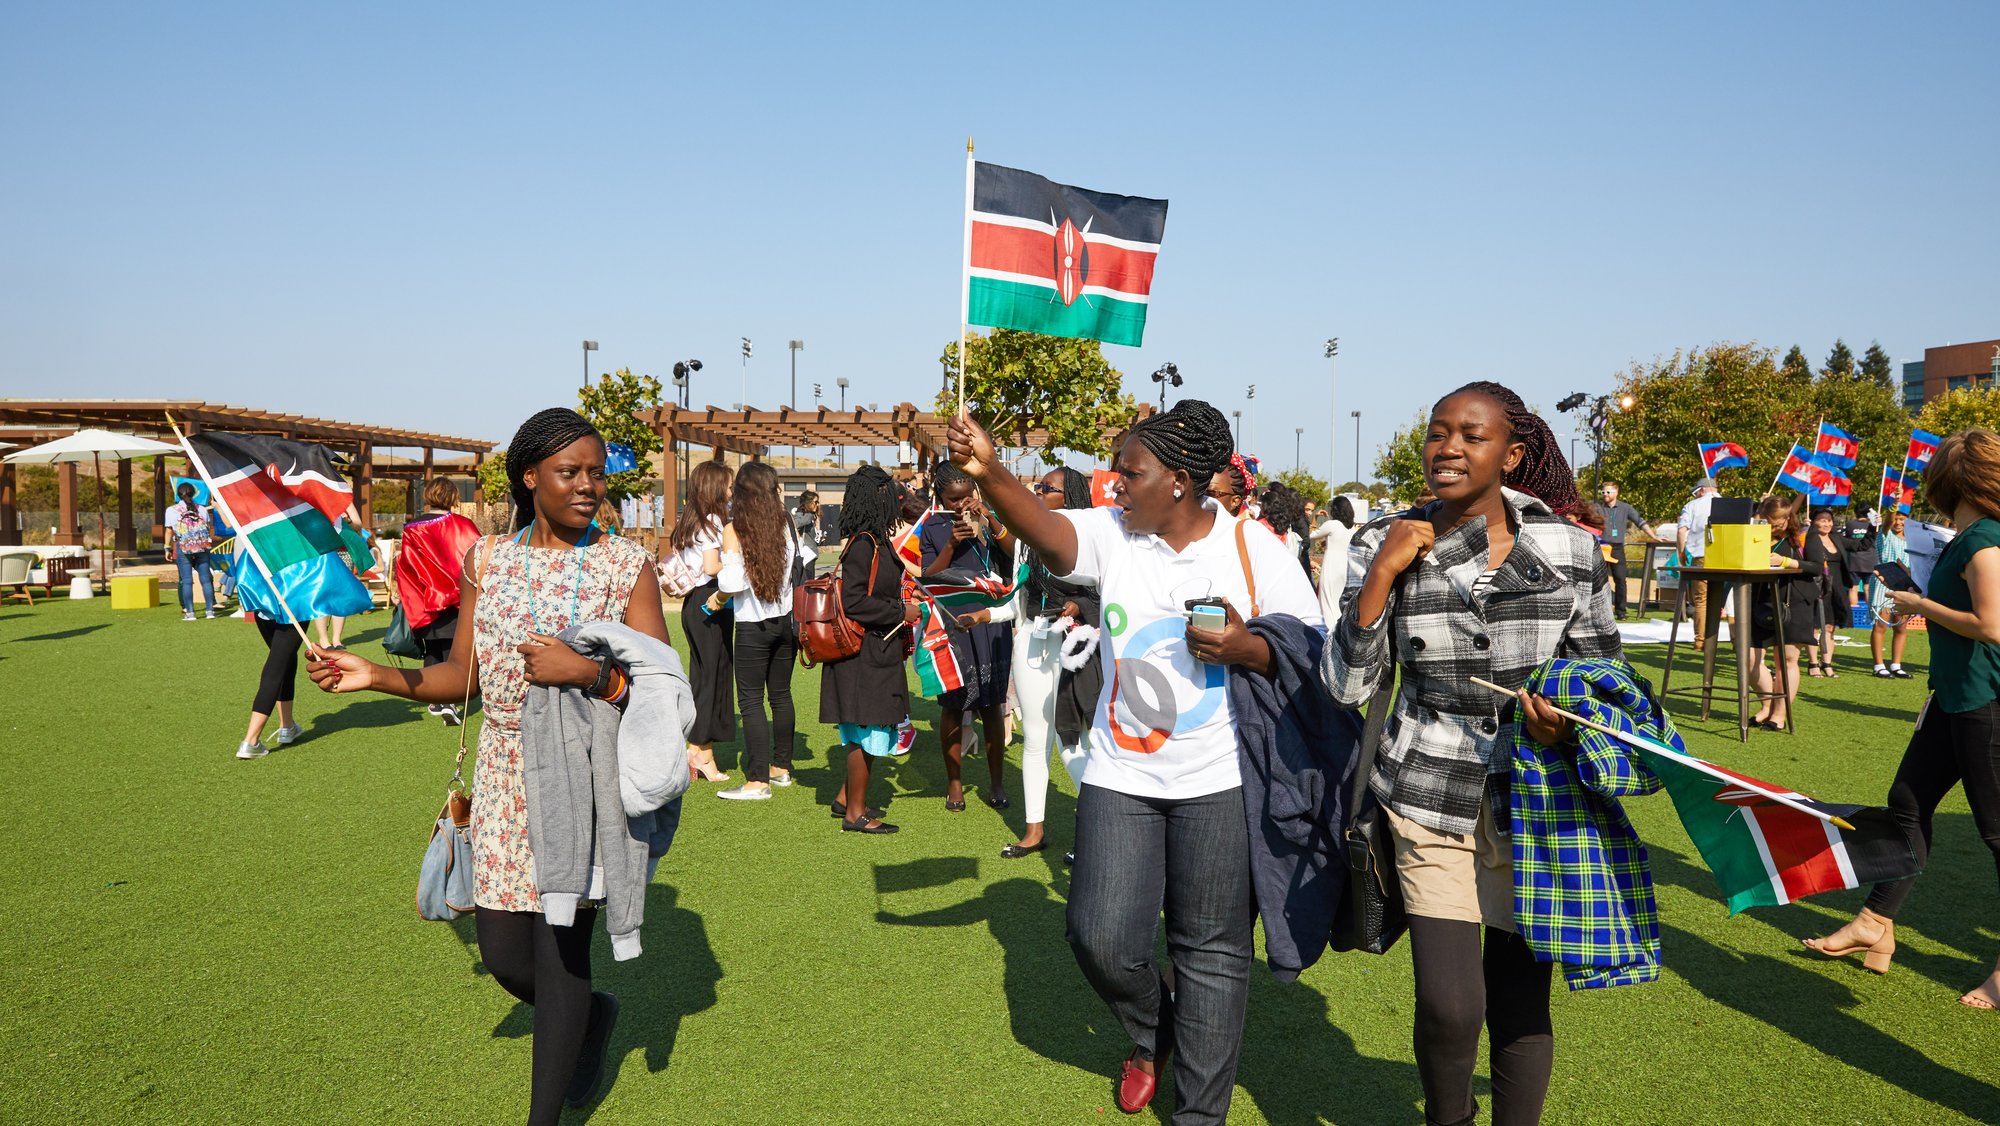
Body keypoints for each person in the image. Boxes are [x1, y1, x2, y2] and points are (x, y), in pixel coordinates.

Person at [948, 400, 1323, 1124]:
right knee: (1099, 934)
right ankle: (1154, 1033)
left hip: (1220, 779)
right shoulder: (1115, 535)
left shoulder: (1253, 548)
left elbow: (1314, 650)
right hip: (1121, 774)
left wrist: (1247, 647)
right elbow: (1048, 530)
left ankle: (1198, 1115)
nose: (1114, 485)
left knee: (1210, 951)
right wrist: (989, 470)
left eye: (1129, 472)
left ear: (1180, 481)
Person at [309, 408, 667, 1121]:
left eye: (597, 472)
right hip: (503, 774)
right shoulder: (488, 560)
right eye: (571, 472)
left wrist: (587, 674)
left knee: (562, 951)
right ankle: (593, 1017)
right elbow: (463, 673)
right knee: (506, 956)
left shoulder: (627, 565)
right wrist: (376, 675)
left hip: (583, 780)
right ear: (530, 477)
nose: (588, 486)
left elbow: (659, 689)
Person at [1324, 380, 1620, 1126]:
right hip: (1426, 787)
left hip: (1537, 797)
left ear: (1511, 454)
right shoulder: (1382, 540)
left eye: (1471, 434)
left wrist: (1569, 723)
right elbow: (1346, 684)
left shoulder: (1572, 548)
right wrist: (1385, 573)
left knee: (1521, 1001)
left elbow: (1604, 679)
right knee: (1451, 1005)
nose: (1447, 447)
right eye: (1436, 431)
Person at [1804, 428, 2000, 1010]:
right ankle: (1875, 921)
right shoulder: (1970, 536)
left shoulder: (1984, 539)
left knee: (1996, 835)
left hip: (1985, 702)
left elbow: (1992, 625)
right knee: (1907, 804)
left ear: (1951, 479)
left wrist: (1915, 605)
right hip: (1953, 697)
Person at [998, 466, 1102, 859]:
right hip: (1032, 639)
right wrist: (996, 615)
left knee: (1071, 740)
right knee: (1035, 741)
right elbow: (1018, 592)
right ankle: (1033, 830)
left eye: (1050, 488)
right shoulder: (1028, 537)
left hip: (1077, 645)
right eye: (1038, 486)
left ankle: (1097, 831)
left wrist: (1078, 606)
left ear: (1071, 495)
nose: (1040, 491)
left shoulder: (1089, 538)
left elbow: (1104, 596)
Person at [824, 466, 923, 833]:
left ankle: (844, 799)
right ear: (875, 498)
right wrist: (902, 611)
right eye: (890, 494)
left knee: (867, 729)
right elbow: (854, 602)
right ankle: (856, 814)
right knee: (865, 731)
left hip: (875, 649)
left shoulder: (874, 540)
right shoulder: (864, 543)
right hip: (864, 653)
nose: (896, 501)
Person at [710, 461, 813, 801]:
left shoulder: (734, 528)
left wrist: (717, 597)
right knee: (781, 696)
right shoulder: (786, 523)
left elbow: (732, 581)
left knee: (751, 702)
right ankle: (781, 769)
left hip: (753, 626)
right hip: (785, 621)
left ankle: (757, 781)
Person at [922, 461, 1014, 812]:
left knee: (992, 703)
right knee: (953, 704)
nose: (961, 505)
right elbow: (928, 578)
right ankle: (955, 784)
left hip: (991, 621)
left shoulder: (991, 519)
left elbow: (1013, 554)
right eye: (953, 498)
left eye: (966, 496)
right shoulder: (932, 526)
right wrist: (951, 543)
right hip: (955, 620)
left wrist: (989, 519)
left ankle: (996, 783)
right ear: (940, 496)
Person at [395, 477, 482, 724]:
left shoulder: (411, 529)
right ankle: (449, 701)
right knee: (454, 651)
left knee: (432, 649)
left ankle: (437, 699)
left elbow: (407, 566)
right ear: (453, 497)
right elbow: (476, 556)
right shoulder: (462, 525)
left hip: (424, 600)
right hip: (456, 599)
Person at [669, 460, 734, 782]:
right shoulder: (712, 521)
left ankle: (698, 746)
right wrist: (739, 566)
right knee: (712, 676)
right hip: (710, 602)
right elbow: (711, 567)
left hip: (694, 606)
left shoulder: (690, 519)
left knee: (703, 676)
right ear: (715, 486)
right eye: (728, 484)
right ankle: (701, 750)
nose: (731, 490)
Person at [1747, 496, 1815, 731]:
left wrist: (1786, 561)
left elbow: (1816, 566)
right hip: (1760, 602)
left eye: (1779, 523)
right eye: (1769, 522)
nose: (1775, 527)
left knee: (1786, 660)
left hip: (1793, 602)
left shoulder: (1804, 535)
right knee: (1750, 659)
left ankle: (1779, 714)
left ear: (1789, 518)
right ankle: (1766, 706)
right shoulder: (1756, 533)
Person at [1802, 506, 1858, 677]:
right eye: (1822, 520)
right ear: (1814, 521)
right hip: (1816, 587)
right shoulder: (1808, 538)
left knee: (1830, 627)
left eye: (1829, 520)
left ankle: (1827, 664)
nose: (1826, 523)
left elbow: (1861, 544)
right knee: (1815, 627)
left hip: (1837, 588)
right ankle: (1813, 664)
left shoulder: (1837, 538)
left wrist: (1873, 526)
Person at [1597, 481, 1654, 619]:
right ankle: (1599, 611)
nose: (1605, 494)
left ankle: (1621, 611)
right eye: (1603, 492)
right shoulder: (1597, 507)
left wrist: (1654, 536)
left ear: (1616, 493)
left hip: (1617, 548)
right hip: (1601, 547)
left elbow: (1640, 522)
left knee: (1620, 580)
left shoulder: (1625, 508)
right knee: (1598, 580)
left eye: (1608, 492)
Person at [1871, 510, 1916, 678]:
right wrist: (1895, 504)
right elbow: (1887, 523)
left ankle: (1896, 665)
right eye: (1896, 519)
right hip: (1883, 581)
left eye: (1902, 519)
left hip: (1904, 584)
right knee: (1880, 625)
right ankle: (1879, 665)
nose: (1898, 522)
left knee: (1901, 626)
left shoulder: (1912, 542)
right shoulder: (1885, 535)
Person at [165, 482, 219, 620]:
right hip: (201, 546)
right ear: (193, 494)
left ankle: (190, 612)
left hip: (183, 546)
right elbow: (207, 528)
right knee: (206, 579)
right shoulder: (202, 509)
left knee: (187, 580)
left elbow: (169, 531)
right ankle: (210, 611)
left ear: (178, 495)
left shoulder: (172, 510)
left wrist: (167, 548)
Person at [1677, 477, 1721, 643]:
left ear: (1702, 490)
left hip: (1701, 555)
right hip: (1725, 556)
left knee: (1701, 599)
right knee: (1727, 600)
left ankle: (1700, 639)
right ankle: (1735, 639)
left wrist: (1681, 552)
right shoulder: (1728, 503)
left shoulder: (1692, 505)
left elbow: (1682, 531)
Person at [1313, 495, 1358, 627]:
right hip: (1345, 569)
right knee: (1338, 604)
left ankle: (1329, 634)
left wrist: (1315, 518)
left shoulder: (1332, 525)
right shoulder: (1352, 529)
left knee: (1327, 603)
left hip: (1331, 568)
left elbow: (1311, 536)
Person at [1206, 455, 1254, 519]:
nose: (1202, 498)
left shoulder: (1249, 528)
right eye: (1199, 490)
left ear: (1235, 501)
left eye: (1211, 493)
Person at [792, 490, 822, 578]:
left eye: (818, 502)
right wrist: (809, 514)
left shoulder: (810, 517)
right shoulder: (801, 514)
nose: (817, 505)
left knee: (810, 582)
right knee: (806, 584)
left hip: (811, 555)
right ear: (808, 502)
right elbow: (796, 525)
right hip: (805, 555)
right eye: (815, 502)